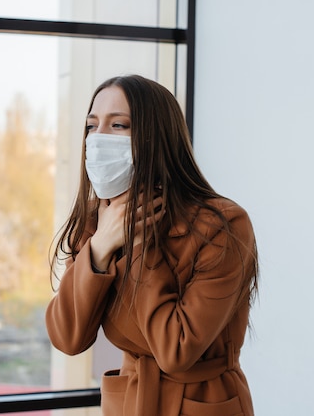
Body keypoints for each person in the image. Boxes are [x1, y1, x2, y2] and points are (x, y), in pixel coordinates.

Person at [45, 74, 259, 416]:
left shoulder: (223, 226)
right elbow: (68, 337)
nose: (98, 139)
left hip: (202, 403)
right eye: (91, 125)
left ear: (155, 137)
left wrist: (140, 244)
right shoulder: (95, 223)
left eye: (118, 125)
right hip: (128, 401)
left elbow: (175, 349)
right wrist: (101, 246)